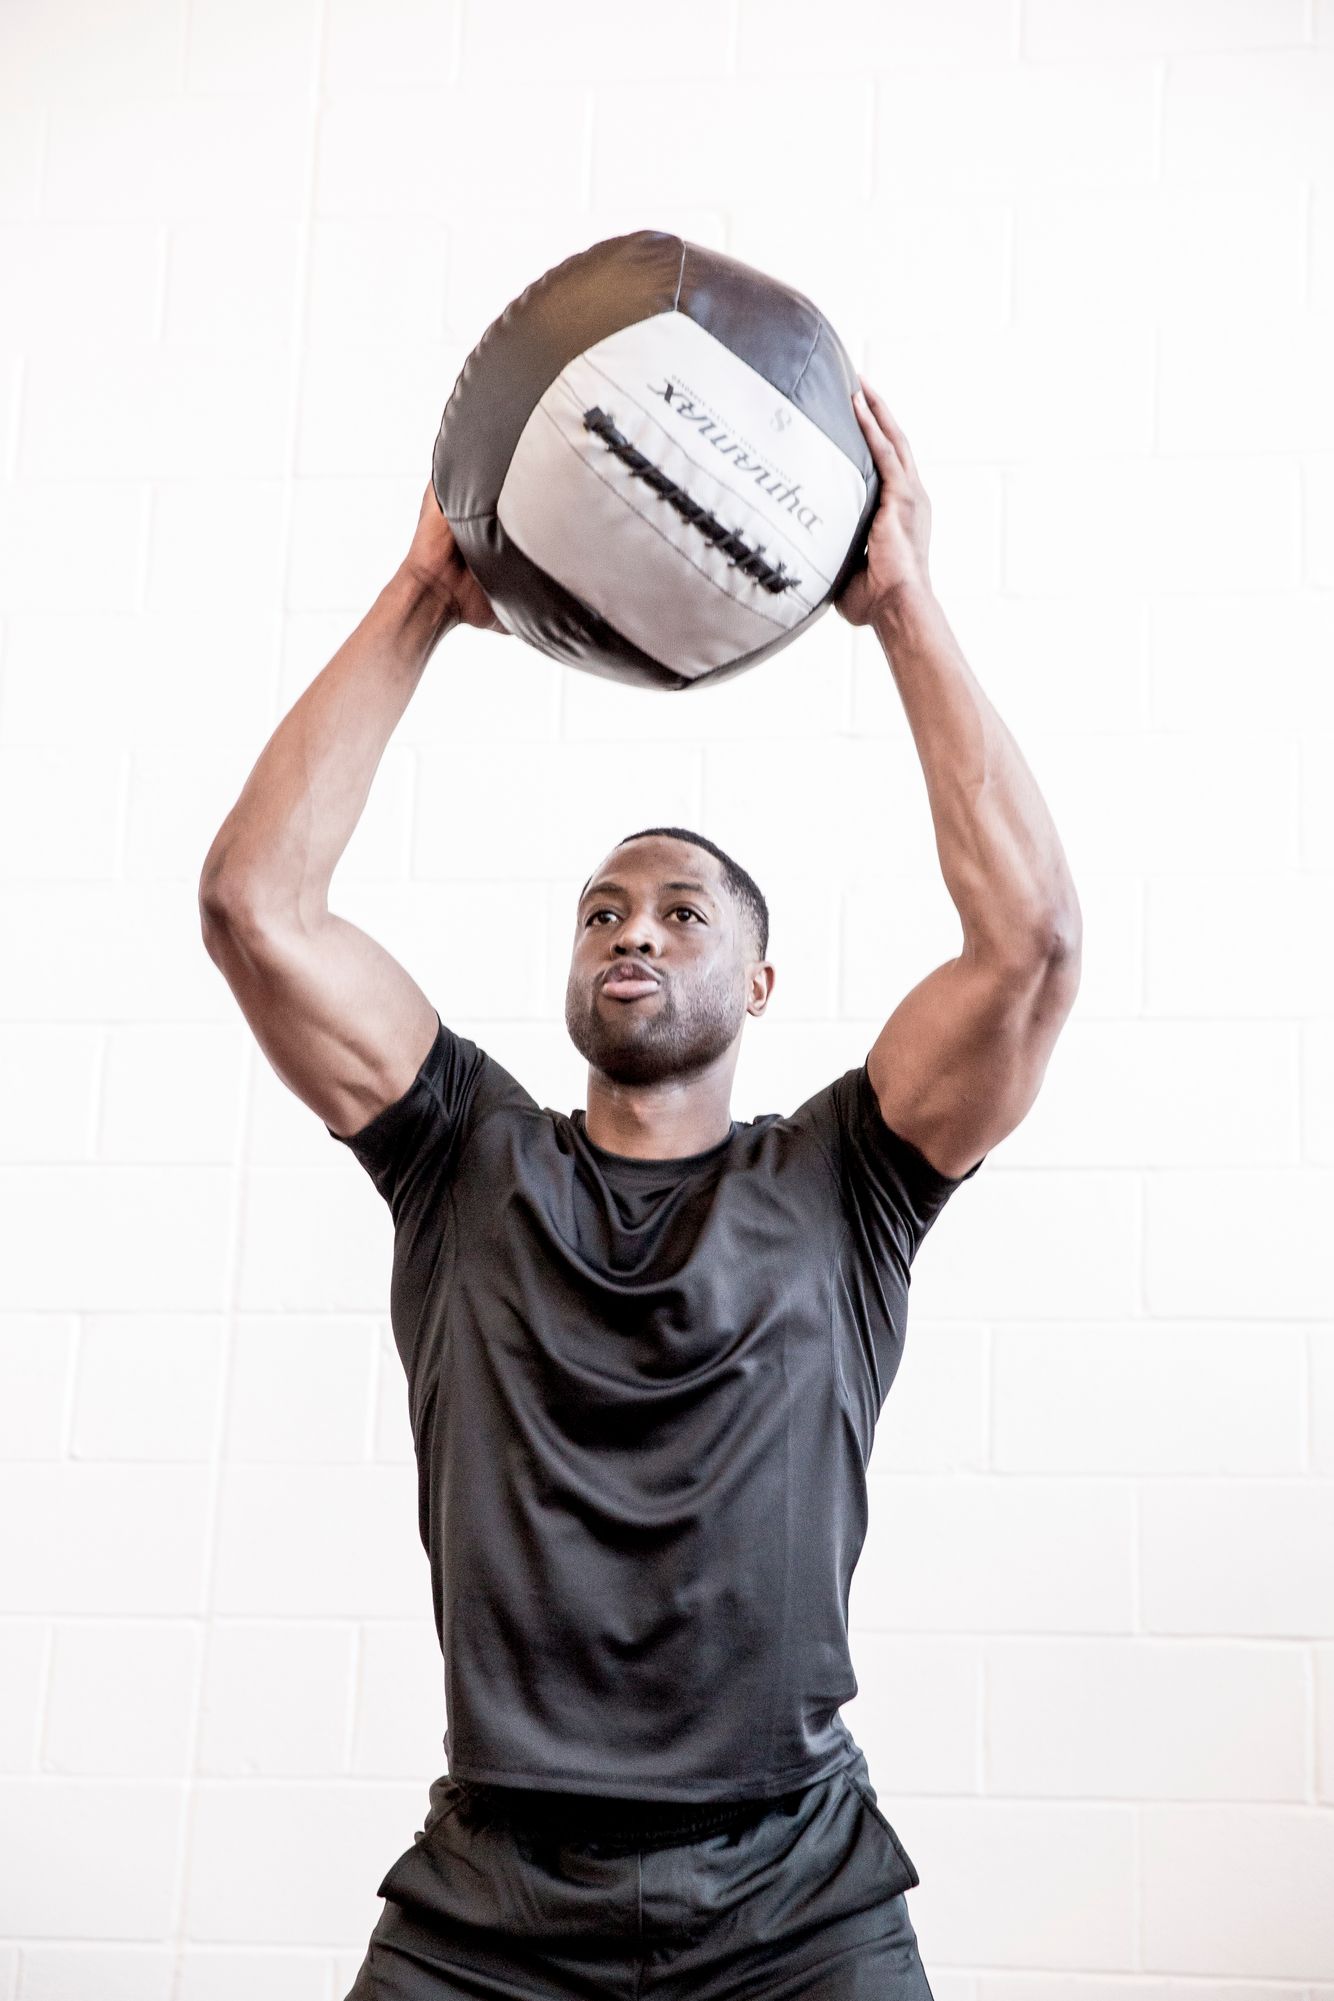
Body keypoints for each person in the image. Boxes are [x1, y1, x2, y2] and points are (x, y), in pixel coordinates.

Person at [199, 378, 1081, 2000]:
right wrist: (421, 599)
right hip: (490, 1903)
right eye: (604, 907)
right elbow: (258, 907)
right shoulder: (465, 1156)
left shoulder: (848, 1181)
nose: (634, 930)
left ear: (756, 984)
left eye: (683, 911)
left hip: (795, 1893)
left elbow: (1027, 948)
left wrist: (902, 609)